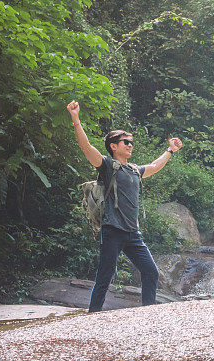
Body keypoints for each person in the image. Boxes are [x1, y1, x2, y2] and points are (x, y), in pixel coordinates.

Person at [67, 100, 183, 312]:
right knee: (105, 276)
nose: (130, 145)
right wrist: (76, 119)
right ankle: (92, 316)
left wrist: (170, 150)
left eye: (130, 142)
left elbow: (155, 166)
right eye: (125, 142)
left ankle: (147, 314)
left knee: (151, 272)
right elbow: (86, 147)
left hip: (132, 233)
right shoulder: (108, 166)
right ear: (113, 146)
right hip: (112, 230)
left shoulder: (135, 170)